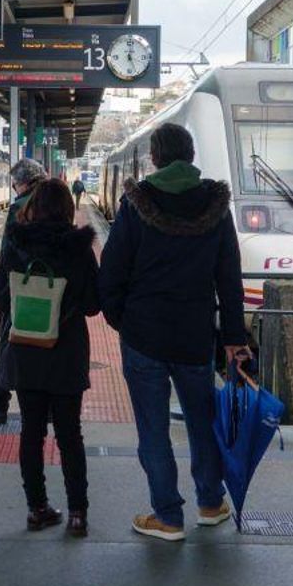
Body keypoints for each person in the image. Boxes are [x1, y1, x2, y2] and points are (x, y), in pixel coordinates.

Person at [98, 122, 247, 542]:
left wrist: (122, 321)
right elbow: (229, 280)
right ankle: (210, 502)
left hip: (144, 335)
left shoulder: (136, 206)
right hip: (195, 336)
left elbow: (111, 273)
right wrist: (233, 336)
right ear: (192, 155)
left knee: (153, 428)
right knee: (203, 422)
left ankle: (167, 516)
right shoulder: (216, 209)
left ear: (156, 158)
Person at [0, 178, 100, 537]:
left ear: (33, 205)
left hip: (26, 348)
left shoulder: (16, 242)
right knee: (71, 435)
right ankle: (77, 514)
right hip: (66, 351)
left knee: (31, 432)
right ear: (68, 208)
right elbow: (92, 305)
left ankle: (37, 508)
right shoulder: (79, 248)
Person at [0, 158, 48, 425]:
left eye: (15, 183)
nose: (15, 189)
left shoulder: (20, 206)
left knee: (9, 346)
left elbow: (8, 253)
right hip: (48, 288)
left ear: (23, 182)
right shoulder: (55, 202)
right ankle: (47, 407)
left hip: (19, 287)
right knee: (44, 346)